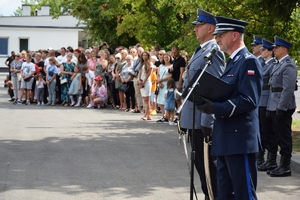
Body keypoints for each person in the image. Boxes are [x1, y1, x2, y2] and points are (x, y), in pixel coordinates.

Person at [197, 16, 262, 199]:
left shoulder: (248, 61)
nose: (217, 39)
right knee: (224, 194)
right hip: (225, 138)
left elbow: (249, 100)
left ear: (234, 35)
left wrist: (215, 107)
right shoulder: (232, 62)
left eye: (221, 35)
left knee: (243, 194)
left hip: (239, 139)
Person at [180, 9, 225, 200]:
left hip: (202, 120)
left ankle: (213, 197)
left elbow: (213, 90)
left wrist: (208, 122)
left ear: (211, 28)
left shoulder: (214, 52)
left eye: (199, 25)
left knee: (208, 167)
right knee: (200, 165)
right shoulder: (201, 51)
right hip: (193, 119)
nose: (195, 29)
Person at [266, 36, 297, 177]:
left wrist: (281, 107)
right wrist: (270, 107)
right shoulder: (279, 64)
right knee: (277, 135)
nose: (274, 49)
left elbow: (288, 89)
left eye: (276, 47)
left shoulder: (288, 64)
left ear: (284, 49)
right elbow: (272, 88)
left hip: (282, 106)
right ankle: (279, 165)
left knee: (284, 137)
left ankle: (285, 166)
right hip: (275, 104)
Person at [256, 39, 277, 170]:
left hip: (266, 101)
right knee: (261, 131)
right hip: (260, 101)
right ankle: (261, 157)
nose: (261, 51)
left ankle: (271, 159)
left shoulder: (272, 65)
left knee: (269, 132)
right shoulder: (263, 64)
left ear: (270, 52)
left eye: (264, 50)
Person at [169, 46, 186, 123]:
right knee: (177, 100)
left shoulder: (181, 60)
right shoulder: (174, 60)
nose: (174, 53)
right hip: (173, 81)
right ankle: (179, 117)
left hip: (178, 81)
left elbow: (182, 72)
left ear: (178, 51)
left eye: (175, 52)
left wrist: (179, 83)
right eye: (172, 52)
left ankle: (181, 117)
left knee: (179, 100)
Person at [156, 53, 172, 123]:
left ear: (170, 58)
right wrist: (159, 82)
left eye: (167, 57)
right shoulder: (160, 66)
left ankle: (168, 116)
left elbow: (170, 76)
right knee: (160, 101)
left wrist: (161, 80)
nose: (166, 58)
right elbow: (158, 75)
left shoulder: (171, 66)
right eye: (165, 57)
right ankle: (163, 116)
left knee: (166, 100)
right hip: (161, 84)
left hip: (167, 84)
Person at [138, 51, 153, 120]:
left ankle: (146, 115)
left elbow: (148, 74)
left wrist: (143, 82)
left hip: (146, 82)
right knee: (144, 99)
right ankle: (148, 115)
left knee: (147, 99)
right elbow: (140, 72)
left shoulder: (150, 64)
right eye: (143, 55)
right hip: (141, 81)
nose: (144, 57)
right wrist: (139, 80)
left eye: (146, 55)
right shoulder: (142, 63)